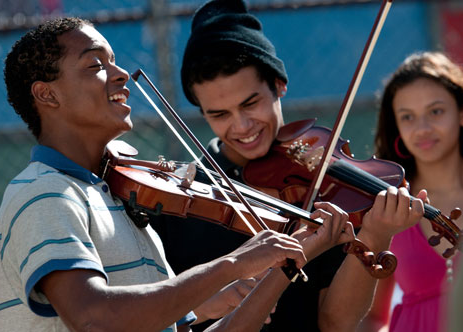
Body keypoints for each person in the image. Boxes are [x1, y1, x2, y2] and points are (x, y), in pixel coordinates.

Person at [0, 16, 360, 332]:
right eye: (96, 65)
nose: (121, 75)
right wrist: (230, 265)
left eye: (115, 61)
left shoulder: (116, 198)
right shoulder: (45, 193)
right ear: (47, 95)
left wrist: (290, 258)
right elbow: (92, 319)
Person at [149, 0, 427, 331]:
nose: (241, 127)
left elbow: (337, 323)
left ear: (280, 85)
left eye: (250, 104)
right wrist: (204, 304)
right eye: (218, 114)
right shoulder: (181, 198)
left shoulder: (320, 183)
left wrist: (376, 235)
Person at [358, 51, 463, 332]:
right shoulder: (387, 203)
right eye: (408, 117)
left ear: (461, 113)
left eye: (436, 111)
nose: (422, 129)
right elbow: (372, 317)